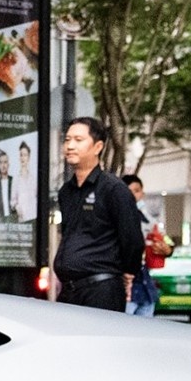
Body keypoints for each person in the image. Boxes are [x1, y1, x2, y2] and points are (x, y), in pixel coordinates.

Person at [53, 116, 142, 312]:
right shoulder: (66, 192)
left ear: (97, 147)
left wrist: (128, 272)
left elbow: (133, 239)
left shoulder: (114, 189)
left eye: (78, 140)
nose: (70, 146)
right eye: (67, 140)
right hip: (69, 291)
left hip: (101, 291)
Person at [122, 174, 160, 317]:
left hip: (145, 286)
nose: (134, 195)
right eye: (129, 191)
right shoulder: (117, 217)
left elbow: (162, 239)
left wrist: (166, 249)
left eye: (137, 190)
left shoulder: (146, 218)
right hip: (128, 285)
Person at [11, 140, 38, 222]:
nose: (23, 158)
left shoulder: (34, 179)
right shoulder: (16, 179)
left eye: (25, 155)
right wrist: (17, 207)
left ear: (29, 157)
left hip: (33, 218)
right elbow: (13, 201)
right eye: (21, 155)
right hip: (22, 219)